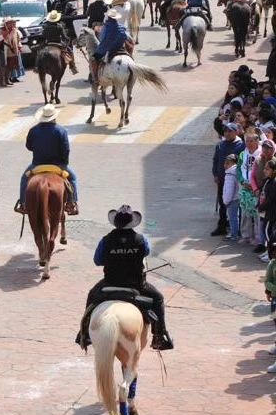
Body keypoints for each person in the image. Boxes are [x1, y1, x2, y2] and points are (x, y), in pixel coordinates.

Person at [79, 205, 174, 351]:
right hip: (137, 285)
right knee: (158, 298)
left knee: (91, 294)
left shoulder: (106, 240)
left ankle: (84, 334)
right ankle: (159, 337)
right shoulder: (141, 240)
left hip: (110, 282)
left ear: (115, 223)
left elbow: (98, 261)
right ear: (132, 223)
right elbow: (146, 252)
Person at [15, 104, 79, 215]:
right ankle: (71, 203)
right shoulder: (61, 131)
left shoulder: (33, 130)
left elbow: (29, 146)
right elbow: (66, 150)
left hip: (37, 164)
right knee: (73, 178)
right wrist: (64, 164)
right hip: (58, 165)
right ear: (54, 117)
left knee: (24, 179)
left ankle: (23, 204)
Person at [211, 122, 245, 236]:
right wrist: (215, 174)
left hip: (235, 180)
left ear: (236, 132)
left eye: (230, 131)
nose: (227, 133)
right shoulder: (220, 145)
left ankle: (237, 228)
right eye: (225, 131)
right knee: (222, 203)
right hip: (222, 179)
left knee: (236, 204)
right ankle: (222, 226)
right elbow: (215, 161)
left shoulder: (241, 145)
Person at [89, 8, 129, 82]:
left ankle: (95, 78)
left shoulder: (105, 27)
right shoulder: (122, 27)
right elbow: (125, 37)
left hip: (105, 49)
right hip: (119, 48)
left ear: (109, 17)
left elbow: (101, 38)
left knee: (93, 60)